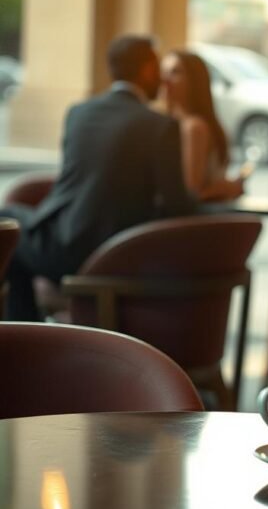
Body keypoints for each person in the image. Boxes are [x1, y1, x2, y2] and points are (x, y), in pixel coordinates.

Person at [0, 35, 196, 321]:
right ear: (146, 70)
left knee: (7, 226)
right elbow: (180, 205)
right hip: (114, 253)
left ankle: (26, 335)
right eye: (158, 69)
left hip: (66, 243)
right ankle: (30, 334)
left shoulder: (78, 112)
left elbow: (73, 184)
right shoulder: (160, 126)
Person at [161, 50, 246, 201]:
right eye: (164, 72)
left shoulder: (194, 127)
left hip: (193, 219)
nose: (166, 80)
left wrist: (228, 187)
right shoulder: (170, 121)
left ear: (194, 81)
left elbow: (193, 193)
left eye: (175, 72)